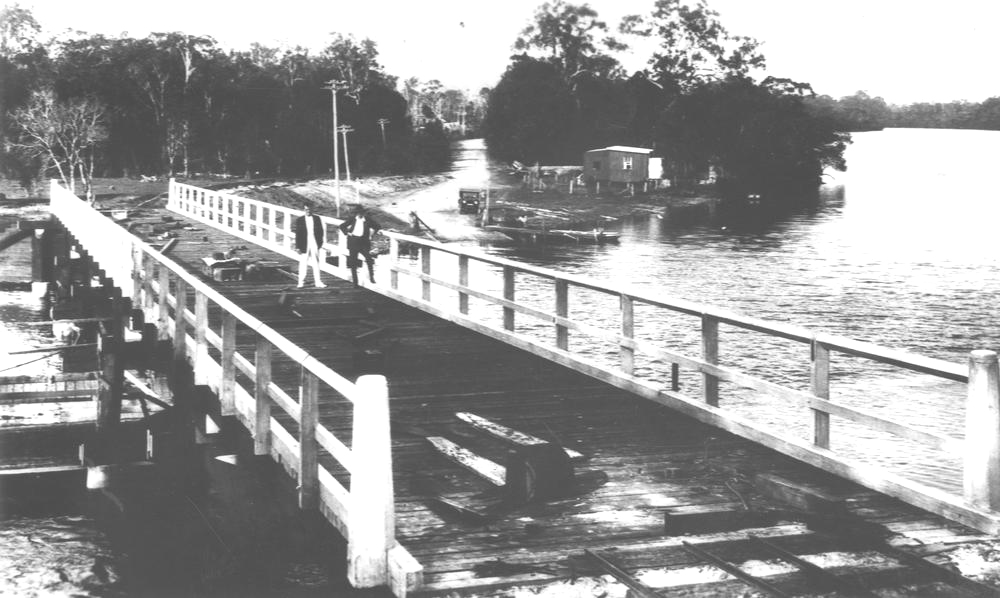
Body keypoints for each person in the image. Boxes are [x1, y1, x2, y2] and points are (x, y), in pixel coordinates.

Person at [338, 206, 381, 286]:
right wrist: (347, 232)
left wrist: (374, 233)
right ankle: (355, 282)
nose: (360, 214)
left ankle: (371, 277)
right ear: (356, 213)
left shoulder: (367, 220)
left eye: (362, 213)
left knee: (368, 258)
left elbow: (377, 226)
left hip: (363, 242)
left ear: (364, 213)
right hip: (353, 241)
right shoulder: (353, 219)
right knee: (353, 262)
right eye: (358, 213)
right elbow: (342, 226)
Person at [295, 204, 327, 288]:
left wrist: (320, 243)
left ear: (312, 209)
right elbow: (297, 234)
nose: (308, 211)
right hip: (304, 243)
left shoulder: (317, 218)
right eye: (306, 209)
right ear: (304, 210)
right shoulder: (300, 220)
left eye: (309, 209)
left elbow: (321, 232)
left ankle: (318, 282)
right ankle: (301, 282)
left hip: (314, 242)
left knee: (316, 262)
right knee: (303, 263)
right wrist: (297, 246)